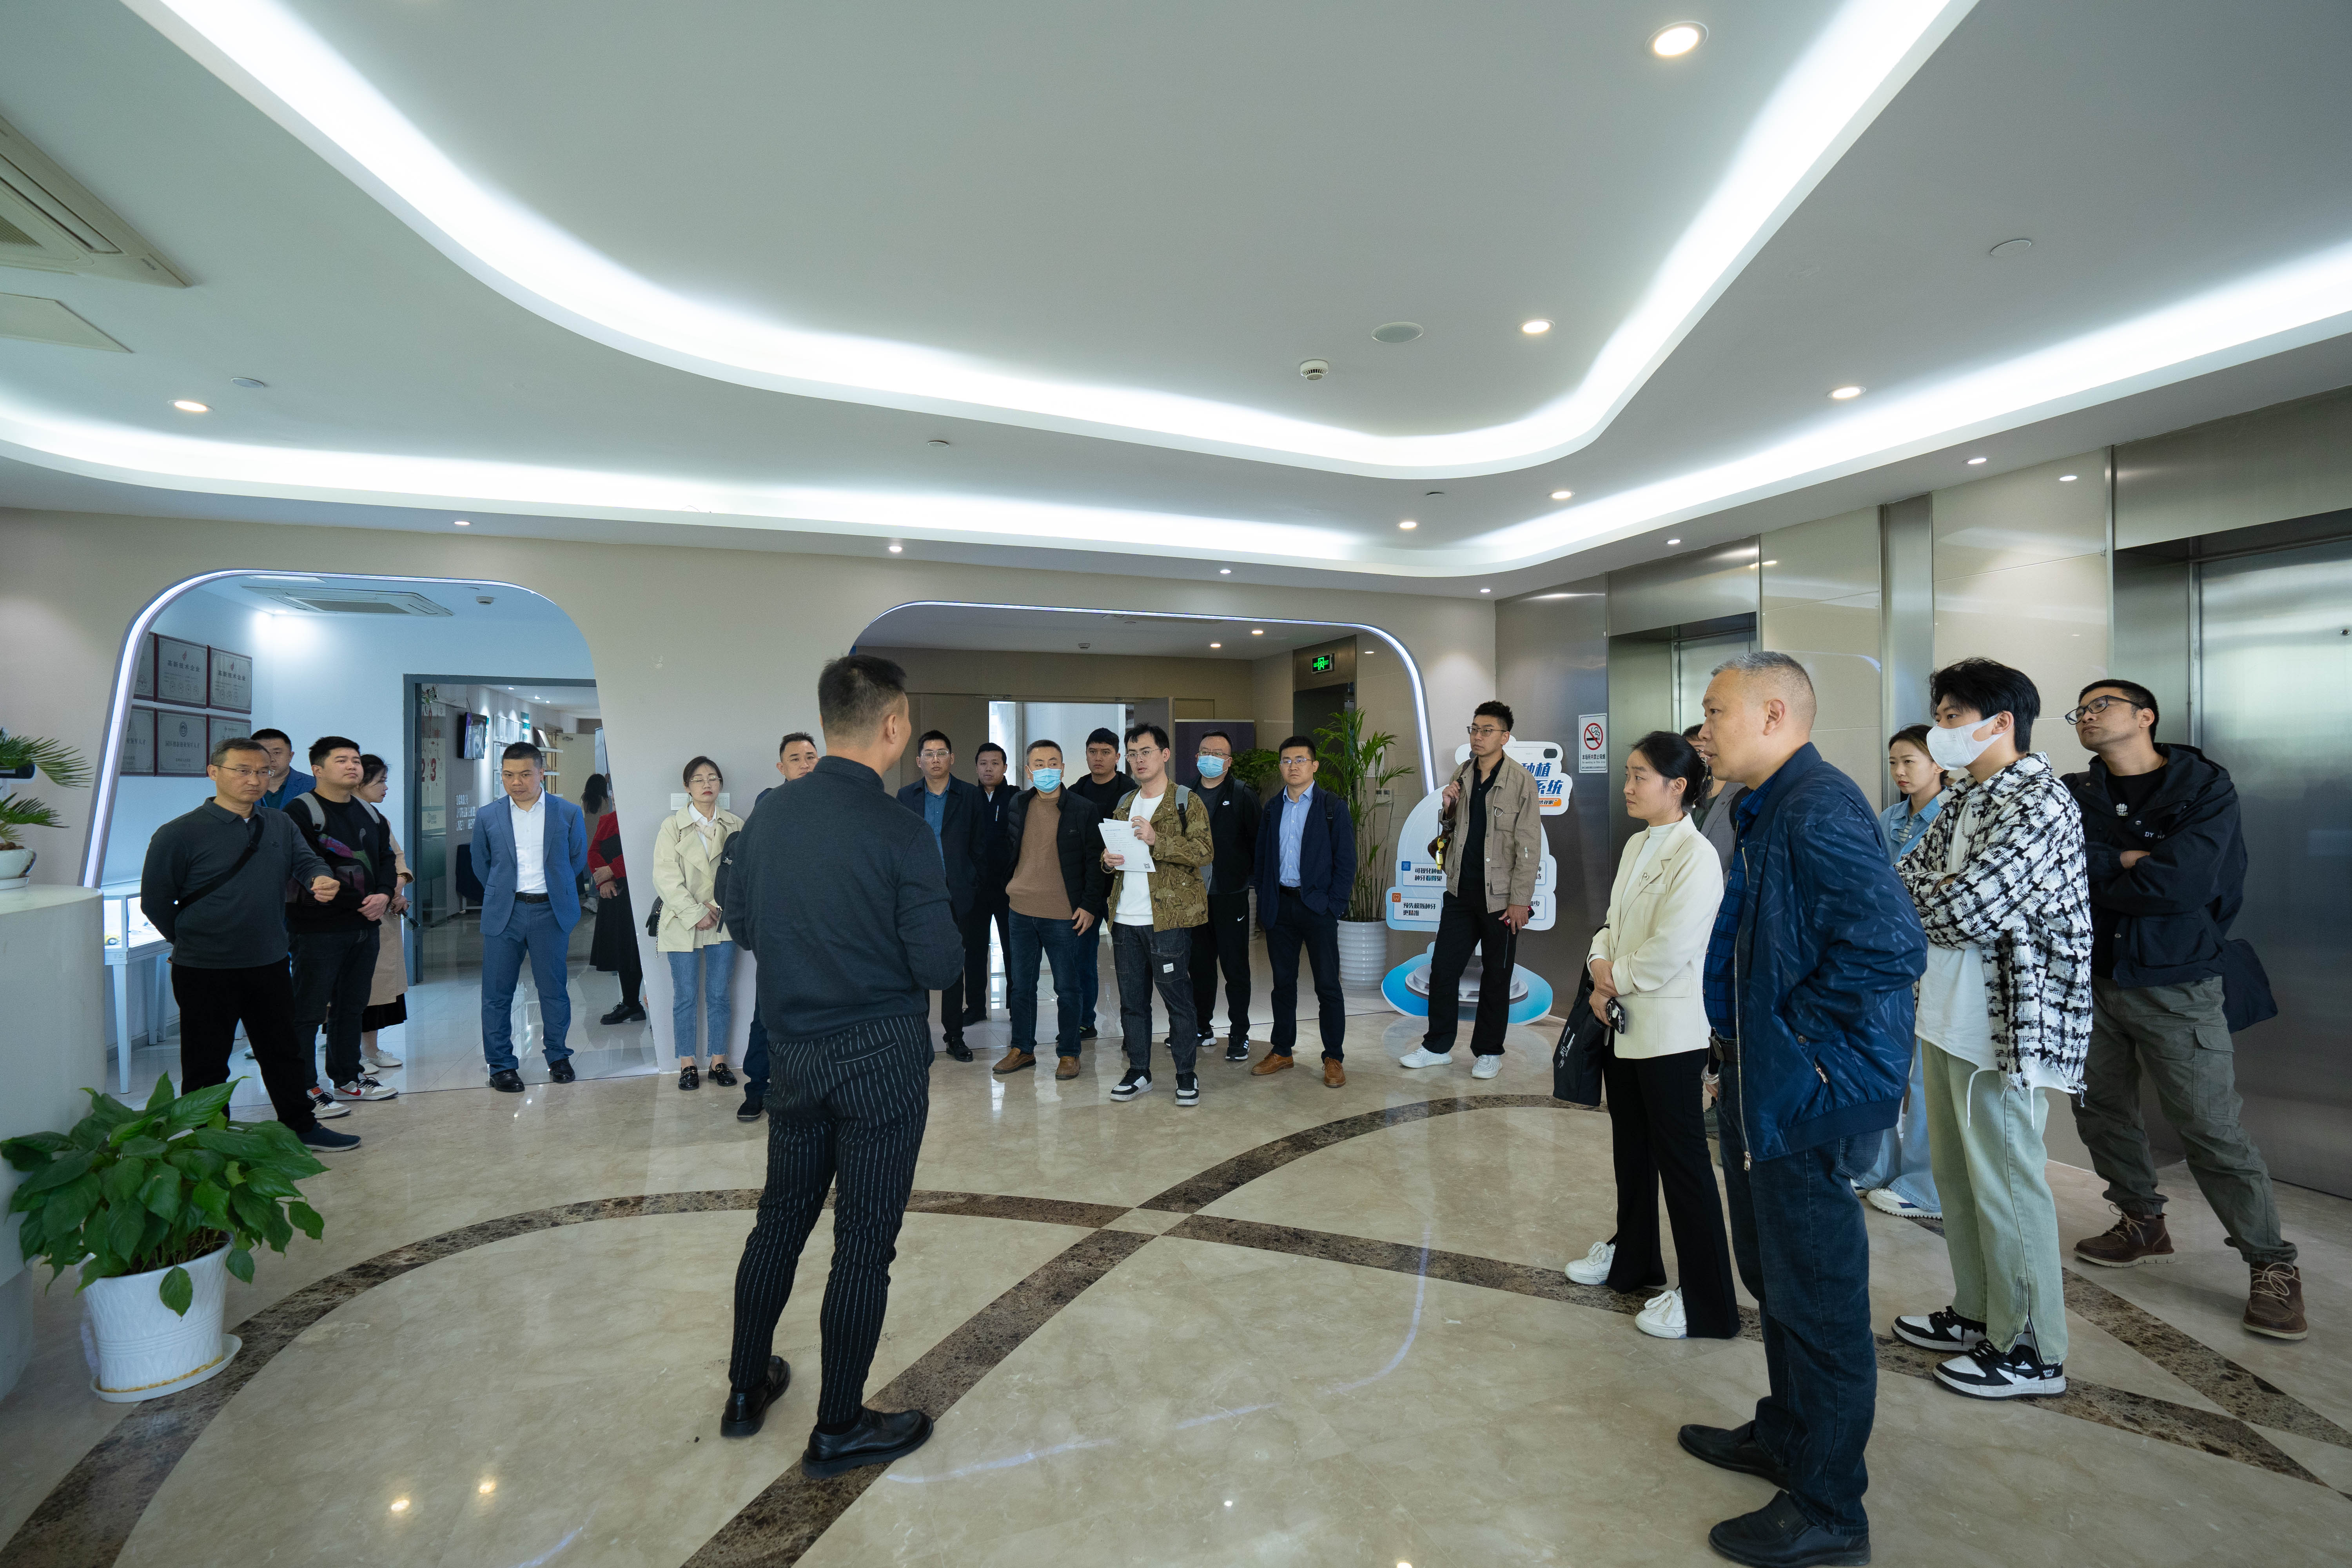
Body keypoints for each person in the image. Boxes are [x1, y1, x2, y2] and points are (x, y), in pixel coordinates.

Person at [1679, 650, 1924, 1568]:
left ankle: (1829, 1505)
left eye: (1716, 712)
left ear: (1774, 713)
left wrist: (1796, 1040)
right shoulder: (1767, 803)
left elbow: (1890, 944)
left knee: (1817, 1292)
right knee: (1775, 1271)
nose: (1704, 732)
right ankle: (1787, 1434)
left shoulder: (1818, 805)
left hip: (1806, 1087)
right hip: (1766, 1077)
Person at [718, 653, 958, 1477]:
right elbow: (939, 962)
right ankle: (839, 1426)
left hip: (792, 1050)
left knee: (779, 1220)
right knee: (863, 1243)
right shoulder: (902, 830)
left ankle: (745, 1388)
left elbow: (744, 925)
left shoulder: (766, 819)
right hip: (880, 1058)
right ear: (893, 725)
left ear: (826, 724)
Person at [2064, 680, 2305, 1340]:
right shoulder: (2074, 791)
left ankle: (2271, 1264)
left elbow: (2184, 885)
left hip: (2177, 982)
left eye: (2101, 705)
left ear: (2145, 716)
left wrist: (2103, 872)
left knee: (2208, 1126)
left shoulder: (2203, 788)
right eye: (2080, 710)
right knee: (2099, 1110)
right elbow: (2052, 871)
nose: (2087, 716)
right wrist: (2126, 860)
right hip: (2091, 980)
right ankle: (2141, 1221)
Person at [1890, 659, 2088, 1401]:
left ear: (2001, 722)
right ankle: (1979, 1311)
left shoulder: (2041, 801)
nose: (1940, 729)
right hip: (1947, 1013)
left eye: (1951, 716)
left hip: (2005, 1027)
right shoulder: (1967, 798)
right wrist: (1938, 893)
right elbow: (1903, 881)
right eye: (1940, 715)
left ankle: (2033, 1348)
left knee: (2007, 1185)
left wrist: (1940, 895)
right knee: (1957, 1180)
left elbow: (1966, 907)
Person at [1568, 731, 1737, 1341]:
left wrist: (1611, 980)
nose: (1628, 786)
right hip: (1624, 1022)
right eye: (1629, 774)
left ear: (1678, 787)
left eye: (1640, 776)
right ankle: (1635, 1258)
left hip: (1670, 1033)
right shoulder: (1639, 843)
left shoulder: (1697, 857)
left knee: (1684, 1165)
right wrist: (1598, 966)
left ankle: (1707, 1301)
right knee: (1632, 1152)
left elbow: (1673, 949)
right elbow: (1611, 925)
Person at [138, 737, 357, 1150]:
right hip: (204, 967)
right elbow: (155, 902)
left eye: (263, 771)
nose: (255, 779)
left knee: (283, 1052)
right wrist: (190, 941)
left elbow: (306, 860)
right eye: (243, 770)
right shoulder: (179, 833)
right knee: (206, 1060)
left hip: (268, 960)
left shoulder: (278, 823)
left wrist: (320, 877)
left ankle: (301, 1126)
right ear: (213, 772)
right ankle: (210, 1140)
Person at [1400, 701, 1544, 1079]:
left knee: (1496, 977)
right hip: (1460, 893)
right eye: (1474, 729)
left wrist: (1520, 901)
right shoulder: (1462, 774)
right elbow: (1450, 830)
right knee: (1444, 970)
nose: (1478, 737)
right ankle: (1437, 1047)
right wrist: (1448, 807)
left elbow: (1529, 846)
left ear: (1505, 737)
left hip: (1501, 899)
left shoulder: (1521, 781)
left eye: (1487, 731)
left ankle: (1489, 1052)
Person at [1852, 725, 1946, 1221]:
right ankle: (1876, 1166)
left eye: (1910, 761)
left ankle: (1926, 1184)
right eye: (1894, 762)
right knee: (1883, 1060)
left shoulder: (1952, 814)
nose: (1900, 772)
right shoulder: (1890, 817)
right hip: (1885, 955)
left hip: (1934, 958)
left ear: (1939, 763)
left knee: (1927, 1075)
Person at [1099, 724, 1214, 1104]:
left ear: (1164, 755)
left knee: (1177, 999)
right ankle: (1139, 1071)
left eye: (1145, 752)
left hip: (1167, 921)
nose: (1139, 760)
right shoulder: (1125, 802)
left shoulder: (1186, 800)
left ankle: (1186, 1074)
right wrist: (1107, 860)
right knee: (1132, 1002)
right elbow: (1114, 856)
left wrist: (1156, 840)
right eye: (1133, 754)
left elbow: (1204, 851)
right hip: (1125, 920)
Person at [285, 737, 397, 1107]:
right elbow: (303, 865)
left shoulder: (368, 812)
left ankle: (348, 1077)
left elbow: (385, 858)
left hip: (364, 926)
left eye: (356, 760)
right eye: (342, 760)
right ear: (317, 769)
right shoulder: (300, 812)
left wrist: (383, 895)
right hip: (317, 928)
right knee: (309, 1010)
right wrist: (366, 902)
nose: (352, 766)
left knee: (352, 1006)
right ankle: (303, 1088)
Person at [474, 741, 591, 1092]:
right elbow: (482, 865)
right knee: (497, 994)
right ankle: (501, 1066)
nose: (516, 782)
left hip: (549, 912)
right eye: (508, 775)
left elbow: (576, 860)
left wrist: (551, 889)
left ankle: (558, 1057)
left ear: (542, 773)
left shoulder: (568, 813)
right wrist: (503, 891)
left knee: (553, 990)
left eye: (525, 774)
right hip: (504, 913)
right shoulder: (488, 815)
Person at [992, 740, 1110, 1080]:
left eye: (1053, 763)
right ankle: (1022, 1049)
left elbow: (1095, 862)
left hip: (1063, 914)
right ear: (1029, 771)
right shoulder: (1018, 804)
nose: (1047, 769)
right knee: (1021, 986)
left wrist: (1089, 905)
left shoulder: (1083, 809)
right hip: (1021, 910)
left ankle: (1070, 1052)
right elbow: (1012, 849)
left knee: (1068, 988)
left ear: (1063, 768)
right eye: (1039, 764)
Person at [1248, 735, 1354, 1087]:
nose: (1292, 766)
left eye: (1300, 760)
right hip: (1281, 907)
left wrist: (1333, 907)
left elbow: (1346, 863)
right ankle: (1282, 1051)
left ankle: (1334, 1057)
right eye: (1286, 761)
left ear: (1314, 765)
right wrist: (1266, 899)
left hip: (1318, 908)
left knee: (1328, 986)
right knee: (1282, 984)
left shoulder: (1333, 807)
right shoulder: (1271, 808)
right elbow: (1262, 859)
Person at [729, 733, 822, 1121]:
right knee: (767, 1011)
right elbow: (748, 867)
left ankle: (811, 1088)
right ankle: (758, 1087)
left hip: (824, 928)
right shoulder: (768, 803)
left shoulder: (833, 803)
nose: (805, 763)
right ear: (782, 767)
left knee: (821, 1012)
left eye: (811, 756)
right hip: (779, 929)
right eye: (796, 758)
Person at [896, 731, 990, 1062]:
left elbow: (981, 846)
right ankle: (919, 1038)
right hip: (918, 895)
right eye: (929, 754)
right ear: (919, 761)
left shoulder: (970, 795)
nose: (935, 759)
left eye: (941, 753)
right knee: (916, 966)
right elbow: (898, 846)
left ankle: (954, 1036)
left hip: (958, 894)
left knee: (953, 966)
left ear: (952, 758)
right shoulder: (906, 796)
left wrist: (972, 883)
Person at [654, 756, 744, 1091]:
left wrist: (716, 908)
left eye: (713, 778)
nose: (707, 784)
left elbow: (743, 876)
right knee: (685, 996)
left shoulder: (736, 825)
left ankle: (719, 1060)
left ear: (720, 784)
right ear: (687, 786)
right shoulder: (671, 826)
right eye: (698, 779)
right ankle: (687, 1063)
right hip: (682, 921)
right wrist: (696, 912)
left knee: (720, 994)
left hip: (723, 919)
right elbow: (665, 878)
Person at [1188, 729, 1260, 1063]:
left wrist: (1245, 880)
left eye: (1218, 754)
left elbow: (1257, 845)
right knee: (1199, 967)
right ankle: (1201, 1027)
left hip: (1230, 895)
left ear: (1229, 762)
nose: (1211, 758)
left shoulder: (1243, 795)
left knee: (1235, 968)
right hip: (1195, 898)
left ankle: (1240, 1034)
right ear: (1197, 756)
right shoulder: (1185, 795)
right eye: (1205, 752)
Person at [1064, 727, 1135, 1041]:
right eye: (1093, 752)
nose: (1098, 758)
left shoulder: (1132, 792)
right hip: (1087, 891)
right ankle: (1085, 1021)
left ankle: (1133, 1028)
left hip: (1124, 888)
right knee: (1083, 958)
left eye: (1106, 752)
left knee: (1129, 961)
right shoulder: (1075, 792)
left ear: (1117, 757)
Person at [352, 753, 413, 1074]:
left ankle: (371, 1050)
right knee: (354, 989)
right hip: (357, 912)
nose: (386, 788)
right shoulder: (340, 819)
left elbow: (396, 859)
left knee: (378, 989)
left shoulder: (379, 818)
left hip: (384, 910)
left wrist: (397, 888)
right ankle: (351, 1055)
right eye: (381, 782)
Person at [583, 771, 647, 1026]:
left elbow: (643, 851)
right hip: (614, 894)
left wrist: (613, 870)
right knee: (621, 949)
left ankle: (650, 1004)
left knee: (638, 950)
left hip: (640, 893)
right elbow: (593, 852)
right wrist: (605, 880)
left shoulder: (646, 819)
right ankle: (631, 1004)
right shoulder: (608, 820)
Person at [965, 741, 1016, 1027]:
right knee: (974, 951)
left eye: (995, 763)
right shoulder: (967, 798)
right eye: (983, 763)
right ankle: (975, 1007)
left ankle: (1016, 1006)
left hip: (1008, 888)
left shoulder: (1017, 798)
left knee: (1013, 949)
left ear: (1005, 767)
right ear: (976, 767)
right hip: (975, 889)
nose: (989, 769)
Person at [1687, 721, 1747, 869]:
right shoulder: (1678, 794)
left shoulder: (1742, 795)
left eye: (1699, 751)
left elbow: (1746, 857)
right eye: (1687, 753)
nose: (1694, 758)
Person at [250, 728, 316, 812]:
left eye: (277, 753)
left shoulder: (314, 785)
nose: (270, 759)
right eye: (263, 753)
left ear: (290, 756)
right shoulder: (241, 785)